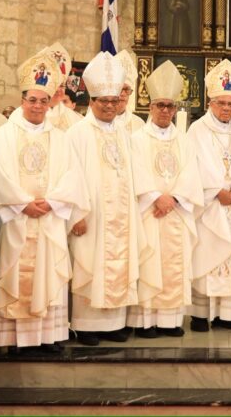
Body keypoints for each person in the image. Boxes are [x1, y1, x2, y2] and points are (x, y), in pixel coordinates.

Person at [0, 50, 87, 352]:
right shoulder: (5, 135)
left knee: (48, 273)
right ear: (23, 99)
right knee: (15, 274)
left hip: (49, 219)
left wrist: (51, 202)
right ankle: (12, 339)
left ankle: (46, 336)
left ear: (50, 101)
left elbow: (71, 176)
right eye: (31, 100)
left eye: (43, 100)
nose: (37, 106)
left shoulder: (60, 137)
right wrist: (22, 203)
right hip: (18, 220)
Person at [67, 52, 148, 346]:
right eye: (105, 102)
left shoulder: (124, 133)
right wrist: (75, 214)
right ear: (92, 100)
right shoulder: (77, 133)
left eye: (115, 101)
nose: (111, 107)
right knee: (91, 263)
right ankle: (86, 325)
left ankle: (113, 323)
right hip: (92, 215)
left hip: (122, 214)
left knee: (118, 262)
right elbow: (70, 176)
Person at [128, 61, 203, 338]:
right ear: (150, 106)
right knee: (149, 262)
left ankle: (170, 321)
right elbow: (136, 171)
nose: (165, 111)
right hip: (150, 212)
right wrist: (155, 197)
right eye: (160, 105)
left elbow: (191, 172)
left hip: (176, 212)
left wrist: (174, 199)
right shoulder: (136, 139)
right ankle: (146, 322)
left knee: (174, 265)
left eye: (170, 106)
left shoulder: (184, 140)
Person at [187, 60, 231, 332]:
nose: (226, 109)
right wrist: (216, 192)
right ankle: (200, 314)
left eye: (230, 104)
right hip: (209, 205)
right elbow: (192, 166)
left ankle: (226, 314)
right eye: (221, 103)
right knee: (206, 252)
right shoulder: (197, 130)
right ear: (211, 103)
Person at [43, 42, 84, 131]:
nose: (58, 90)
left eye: (62, 85)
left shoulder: (75, 120)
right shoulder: (30, 114)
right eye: (54, 84)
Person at [114, 49, 145, 133]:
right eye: (120, 89)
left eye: (127, 89)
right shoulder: (101, 122)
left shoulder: (139, 124)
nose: (123, 94)